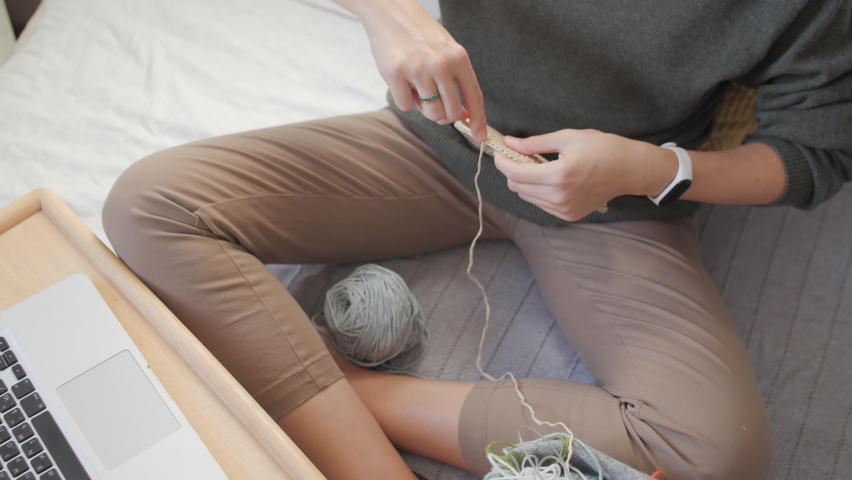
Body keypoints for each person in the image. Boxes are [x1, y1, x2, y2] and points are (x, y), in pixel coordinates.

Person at [101, 0, 852, 479]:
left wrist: (653, 166)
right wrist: (383, 12)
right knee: (148, 205)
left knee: (720, 453)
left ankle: (337, 392)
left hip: (618, 201)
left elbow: (813, 155)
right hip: (442, 143)